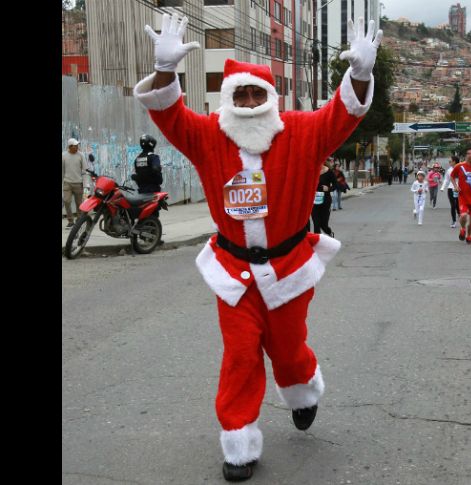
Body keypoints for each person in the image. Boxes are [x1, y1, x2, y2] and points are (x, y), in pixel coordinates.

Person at [133, 13, 382, 481]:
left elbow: (342, 114)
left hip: (290, 267)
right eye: (240, 94)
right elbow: (167, 113)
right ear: (228, 100)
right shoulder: (209, 135)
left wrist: (361, 75)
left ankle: (303, 390)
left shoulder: (302, 132)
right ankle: (239, 440)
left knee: (288, 351)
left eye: (257, 94)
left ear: (271, 98)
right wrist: (166, 71)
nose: (249, 102)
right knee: (242, 353)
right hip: (233, 270)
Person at [62, 138, 87, 228]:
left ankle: (79, 220)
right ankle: (70, 220)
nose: (77, 147)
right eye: (75, 146)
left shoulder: (81, 155)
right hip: (67, 182)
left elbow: (85, 169)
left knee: (79, 203)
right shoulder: (64, 156)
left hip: (78, 183)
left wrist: (85, 183)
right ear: (70, 146)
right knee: (66, 201)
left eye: (77, 145)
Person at [310, 161, 337, 236]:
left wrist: (328, 188)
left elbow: (335, 185)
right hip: (314, 201)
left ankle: (329, 232)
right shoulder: (312, 172)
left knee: (323, 224)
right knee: (316, 223)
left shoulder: (329, 172)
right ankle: (318, 242)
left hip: (325, 200)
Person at [440, 156, 460, 228]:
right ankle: (454, 221)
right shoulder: (449, 170)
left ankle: (459, 214)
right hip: (451, 189)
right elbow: (446, 180)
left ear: (454, 161)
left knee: (458, 204)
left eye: (450, 161)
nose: (449, 162)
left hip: (459, 189)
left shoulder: (461, 169)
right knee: (453, 205)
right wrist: (442, 187)